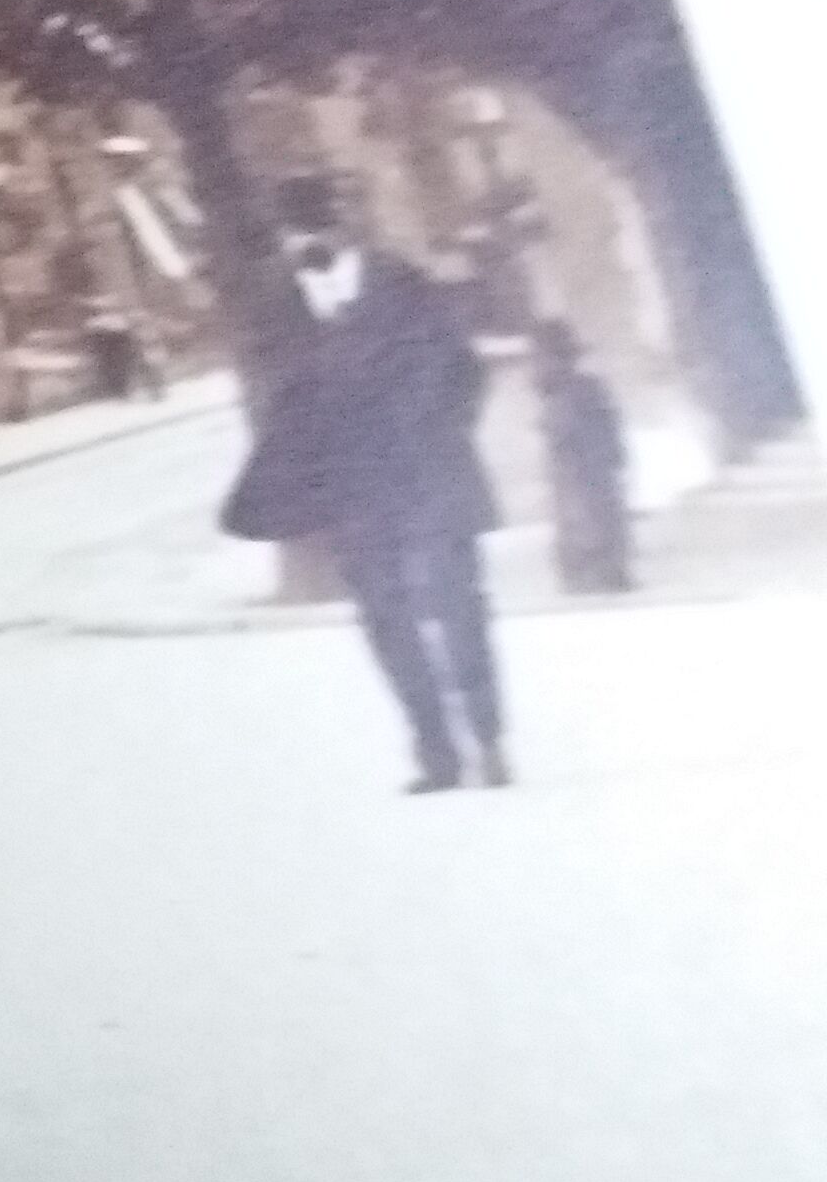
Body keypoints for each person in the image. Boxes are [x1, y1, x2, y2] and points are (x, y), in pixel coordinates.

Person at [218, 173, 510, 792]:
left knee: (458, 605)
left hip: (430, 475)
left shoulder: (402, 282)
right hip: (353, 491)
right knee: (386, 619)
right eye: (298, 234)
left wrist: (436, 432)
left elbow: (463, 369)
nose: (309, 244)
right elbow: (280, 399)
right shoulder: (276, 304)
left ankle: (488, 738)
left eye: (318, 228)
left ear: (343, 226)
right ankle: (435, 750)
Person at [532, 318, 637, 594]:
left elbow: (602, 424)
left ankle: (598, 568)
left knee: (590, 513)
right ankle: (597, 568)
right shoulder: (577, 389)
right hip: (584, 466)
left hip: (587, 465)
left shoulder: (573, 391)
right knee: (589, 514)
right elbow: (604, 424)